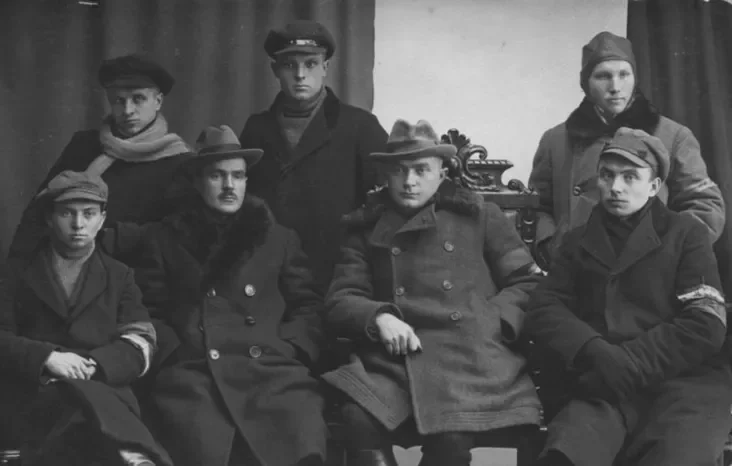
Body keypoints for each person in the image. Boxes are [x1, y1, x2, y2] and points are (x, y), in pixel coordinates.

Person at [321, 119, 543, 466]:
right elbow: (341, 298)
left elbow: (528, 283)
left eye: (421, 170)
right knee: (357, 418)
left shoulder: (481, 216)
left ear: (442, 172)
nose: (409, 181)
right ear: (386, 174)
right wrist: (379, 317)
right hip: (394, 359)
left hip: (470, 358)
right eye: (399, 170)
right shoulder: (365, 227)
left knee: (451, 435)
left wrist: (491, 320)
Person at [524, 128, 732, 466]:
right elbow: (545, 307)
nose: (616, 187)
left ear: (654, 186)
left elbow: (705, 321)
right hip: (603, 385)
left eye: (630, 176)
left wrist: (629, 363)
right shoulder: (576, 241)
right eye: (607, 175)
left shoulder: (687, 234)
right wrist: (595, 350)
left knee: (677, 456)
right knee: (566, 455)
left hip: (682, 383)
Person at [135, 125, 327, 466]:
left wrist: (291, 348)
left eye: (238, 176)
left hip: (271, 368)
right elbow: (148, 309)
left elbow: (308, 305)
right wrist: (174, 352)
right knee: (202, 442)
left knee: (298, 429)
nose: (229, 186)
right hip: (195, 371)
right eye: (217, 176)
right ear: (197, 181)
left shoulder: (278, 238)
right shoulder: (164, 238)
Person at [0, 171, 170, 466]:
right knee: (74, 411)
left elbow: (141, 340)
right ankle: (131, 452)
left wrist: (95, 365)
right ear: (49, 218)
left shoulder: (120, 275)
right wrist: (47, 358)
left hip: (102, 386)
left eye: (88, 214)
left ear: (102, 220)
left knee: (84, 405)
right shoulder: (17, 273)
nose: (78, 224)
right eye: (67, 213)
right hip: (36, 388)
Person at [529, 31, 724, 271]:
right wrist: (551, 245)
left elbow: (706, 205)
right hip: (575, 269)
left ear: (635, 78)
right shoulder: (555, 140)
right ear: (586, 84)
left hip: (646, 271)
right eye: (603, 76)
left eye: (624, 74)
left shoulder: (674, 136)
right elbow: (536, 207)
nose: (615, 87)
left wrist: (670, 251)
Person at [239, 20, 388, 295]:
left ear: (325, 68)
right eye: (289, 65)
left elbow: (381, 207)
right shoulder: (256, 129)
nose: (300, 75)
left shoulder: (361, 127)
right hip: (269, 277)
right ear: (275, 70)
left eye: (310, 64)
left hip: (337, 275)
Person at [8, 53, 191, 272]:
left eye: (138, 99)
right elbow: (39, 211)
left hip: (131, 275)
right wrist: (14, 274)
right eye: (118, 101)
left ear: (158, 101)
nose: (128, 110)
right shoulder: (85, 145)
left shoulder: (179, 161)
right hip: (63, 268)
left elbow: (172, 237)